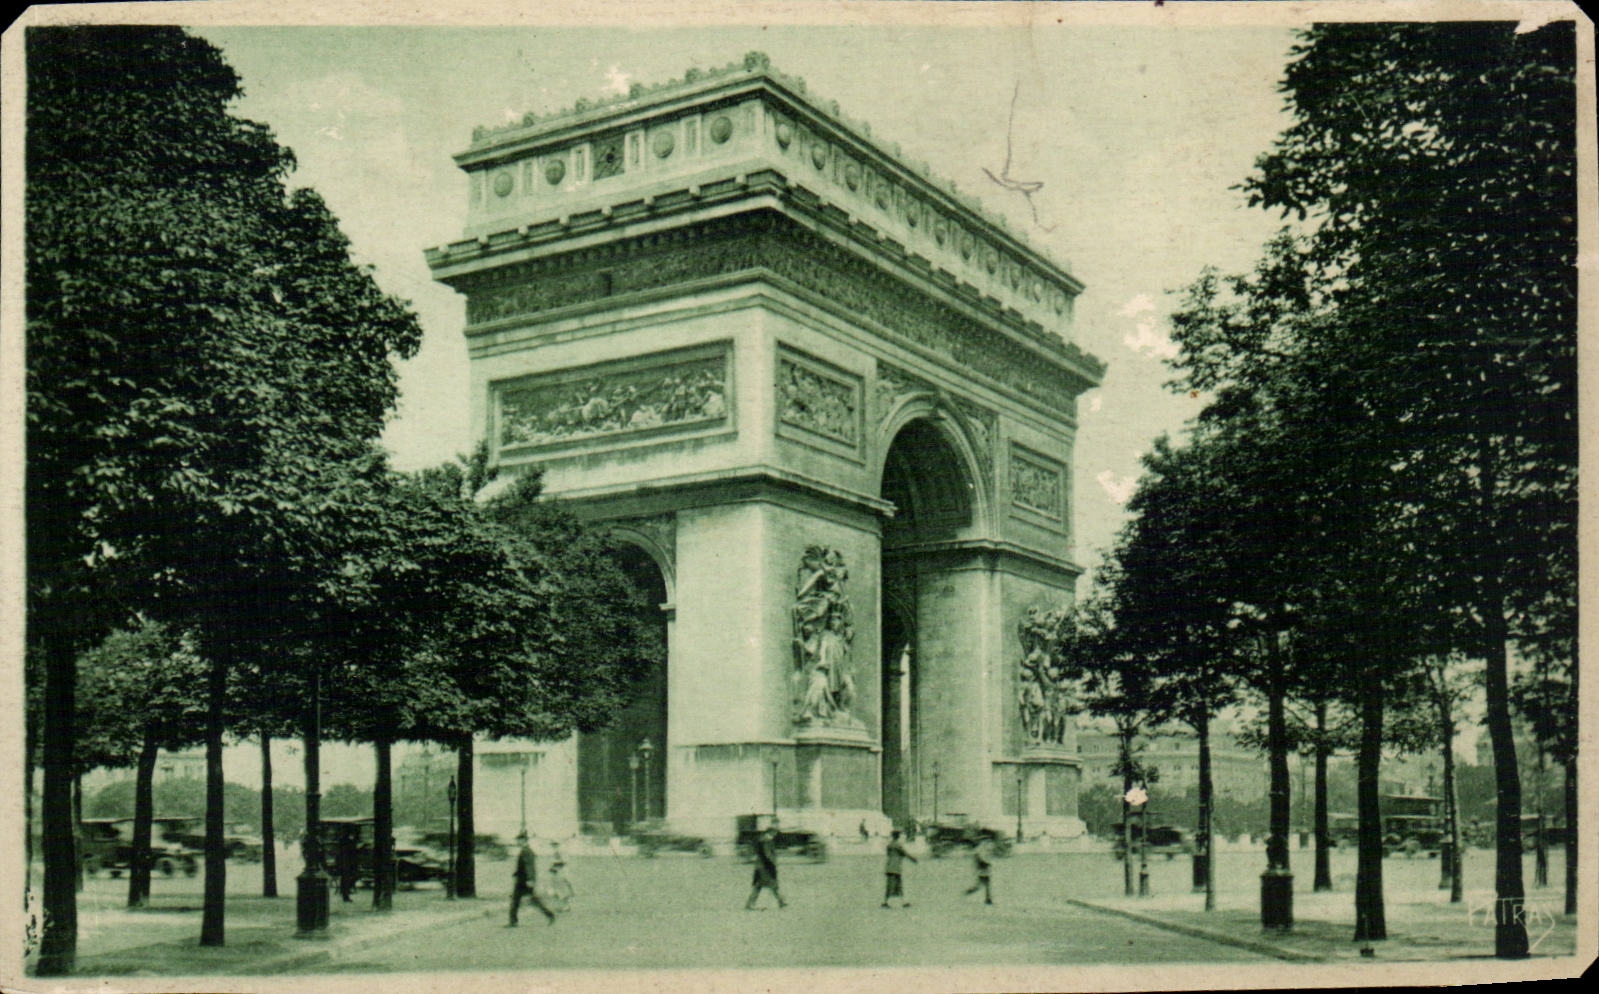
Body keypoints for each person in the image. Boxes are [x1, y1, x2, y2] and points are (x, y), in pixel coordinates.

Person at [508, 831, 556, 927]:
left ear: (524, 840)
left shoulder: (526, 851)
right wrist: (516, 873)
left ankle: (513, 921)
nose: (517, 842)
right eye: (518, 840)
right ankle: (549, 915)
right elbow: (524, 866)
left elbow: (529, 866)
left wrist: (530, 879)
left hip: (524, 881)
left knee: (518, 900)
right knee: (528, 900)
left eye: (519, 840)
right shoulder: (526, 850)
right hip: (523, 880)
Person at [745, 824, 787, 910]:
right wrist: (772, 865)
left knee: (759, 886)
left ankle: (781, 901)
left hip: (760, 866)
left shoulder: (761, 839)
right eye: (775, 832)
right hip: (766, 867)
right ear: (771, 832)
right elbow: (767, 855)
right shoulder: (767, 840)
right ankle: (781, 901)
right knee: (771, 885)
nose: (775, 834)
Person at [881, 829, 917, 909]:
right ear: (898, 836)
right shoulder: (898, 845)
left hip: (889, 867)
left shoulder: (889, 845)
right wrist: (913, 859)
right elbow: (905, 853)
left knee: (891, 885)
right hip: (896, 867)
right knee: (897, 885)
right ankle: (900, 902)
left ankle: (888, 902)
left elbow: (889, 854)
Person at [964, 839, 994, 905]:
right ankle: (968, 892)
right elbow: (980, 861)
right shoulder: (978, 851)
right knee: (983, 885)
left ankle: (988, 899)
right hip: (983, 870)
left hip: (983, 870)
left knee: (984, 885)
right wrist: (986, 864)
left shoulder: (979, 851)